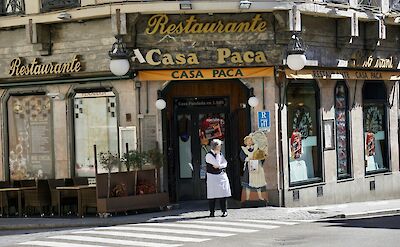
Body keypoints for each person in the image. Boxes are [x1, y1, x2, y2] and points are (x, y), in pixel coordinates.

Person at [206, 139, 231, 217]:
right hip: (212, 177)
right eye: (219, 146)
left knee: (222, 194)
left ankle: (224, 211)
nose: (220, 148)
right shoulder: (209, 155)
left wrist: (220, 166)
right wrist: (219, 163)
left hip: (220, 176)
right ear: (215, 146)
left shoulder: (220, 154)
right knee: (212, 195)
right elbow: (216, 163)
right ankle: (212, 212)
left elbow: (225, 163)